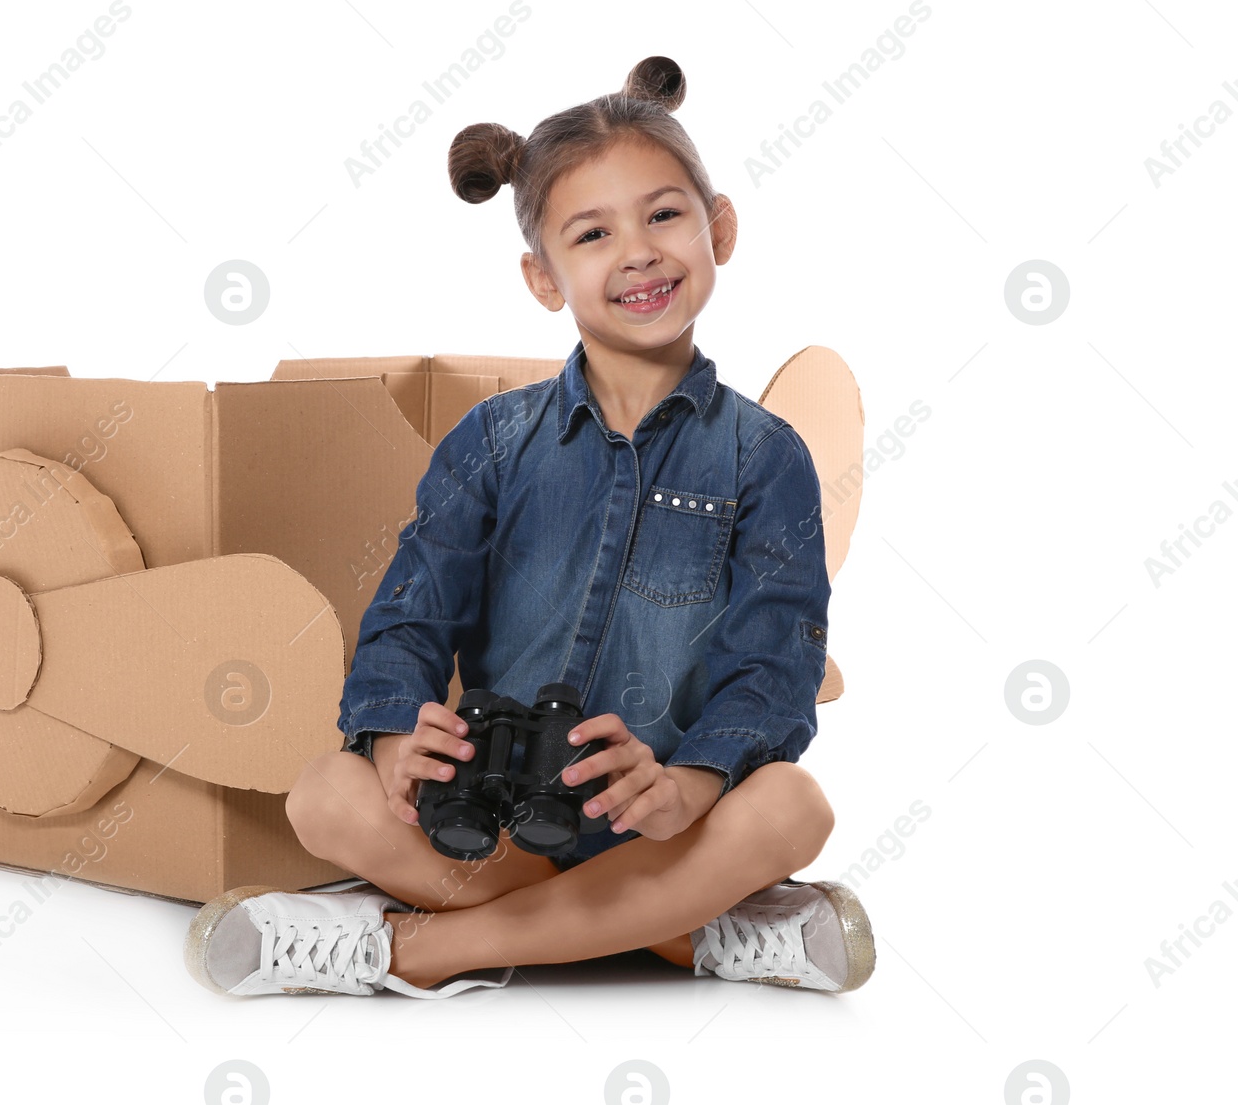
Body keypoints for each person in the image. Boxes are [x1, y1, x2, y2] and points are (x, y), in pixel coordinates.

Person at [184, 55, 875, 999]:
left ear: (720, 229)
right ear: (543, 278)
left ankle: (415, 949)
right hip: (496, 818)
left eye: (665, 215)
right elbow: (412, 614)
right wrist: (395, 741)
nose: (638, 251)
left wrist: (690, 786)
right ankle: (679, 932)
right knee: (323, 794)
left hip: (669, 817)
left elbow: (776, 664)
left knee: (793, 805)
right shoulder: (491, 443)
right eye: (593, 233)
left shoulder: (769, 455)